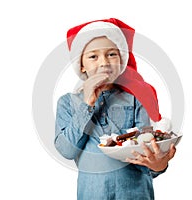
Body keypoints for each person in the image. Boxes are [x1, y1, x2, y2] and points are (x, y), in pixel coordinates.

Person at [55, 18, 176, 200]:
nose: (104, 62)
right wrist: (87, 104)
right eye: (93, 56)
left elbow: (145, 153)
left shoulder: (136, 99)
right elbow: (66, 150)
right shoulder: (67, 103)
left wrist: (158, 165)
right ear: (81, 65)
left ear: (121, 60)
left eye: (111, 54)